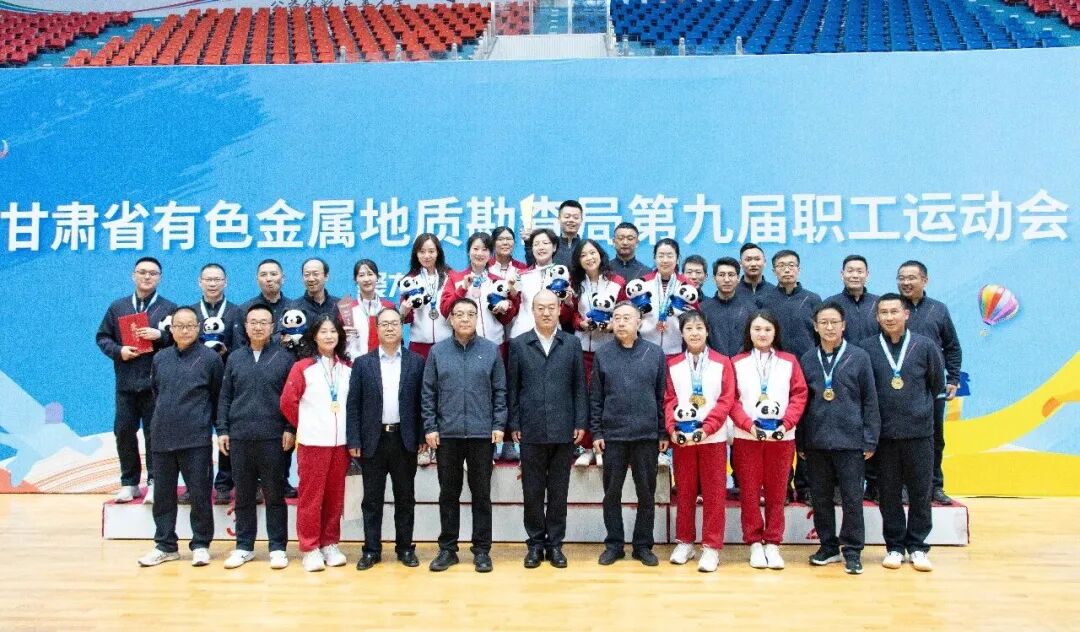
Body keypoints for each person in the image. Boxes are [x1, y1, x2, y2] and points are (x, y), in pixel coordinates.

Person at [860, 293, 945, 572]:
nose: (889, 317)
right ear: (877, 317)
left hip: (919, 434)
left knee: (921, 492)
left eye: (894, 311)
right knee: (888, 494)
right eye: (883, 312)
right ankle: (895, 546)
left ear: (906, 314)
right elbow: (865, 392)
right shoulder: (867, 348)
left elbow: (935, 385)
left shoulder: (925, 346)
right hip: (884, 437)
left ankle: (918, 546)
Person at [422, 297, 508, 573]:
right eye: (459, 314)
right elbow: (428, 392)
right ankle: (448, 549)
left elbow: (500, 391)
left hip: (482, 434)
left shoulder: (490, 350)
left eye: (470, 314)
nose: (464, 319)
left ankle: (481, 550)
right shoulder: (438, 352)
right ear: (450, 319)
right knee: (449, 493)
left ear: (477, 318)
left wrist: (498, 424)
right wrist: (430, 427)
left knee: (481, 494)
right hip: (447, 435)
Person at [797, 302, 880, 575]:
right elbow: (801, 402)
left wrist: (869, 439)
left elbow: (870, 400)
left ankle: (853, 550)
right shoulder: (808, 359)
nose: (829, 327)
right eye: (824, 322)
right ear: (815, 326)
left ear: (843, 325)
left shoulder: (859, 357)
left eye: (834, 322)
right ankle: (828, 547)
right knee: (820, 498)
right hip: (816, 441)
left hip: (851, 442)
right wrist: (801, 441)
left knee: (852, 499)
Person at [137, 307, 223, 568]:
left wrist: (218, 430)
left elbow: (217, 397)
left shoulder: (211, 359)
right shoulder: (160, 358)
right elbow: (157, 392)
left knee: (199, 495)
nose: (185, 330)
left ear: (198, 328)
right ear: (171, 330)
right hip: (162, 438)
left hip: (196, 439)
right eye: (179, 326)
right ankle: (165, 545)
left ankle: (201, 544)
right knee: (163, 496)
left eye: (190, 325)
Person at [507, 290, 588, 569]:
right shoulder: (519, 344)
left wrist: (580, 422)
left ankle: (555, 545)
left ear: (559, 310)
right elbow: (513, 388)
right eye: (540, 307)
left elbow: (579, 386)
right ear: (532, 311)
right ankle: (535, 544)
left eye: (551, 307)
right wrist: (514, 423)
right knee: (532, 491)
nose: (546, 312)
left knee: (558, 491)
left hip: (564, 428)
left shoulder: (571, 343)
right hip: (530, 429)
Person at [346, 307, 426, 571]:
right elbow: (353, 404)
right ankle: (371, 550)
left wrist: (422, 435)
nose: (390, 328)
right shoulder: (363, 363)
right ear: (377, 329)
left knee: (405, 498)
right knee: (372, 500)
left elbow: (422, 402)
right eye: (384, 324)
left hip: (404, 439)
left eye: (394, 323)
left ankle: (405, 548)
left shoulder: (416, 362)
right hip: (373, 440)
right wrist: (354, 440)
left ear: (402, 327)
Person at [216, 304, 295, 570]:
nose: (258, 327)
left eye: (264, 322)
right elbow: (225, 397)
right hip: (240, 437)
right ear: (245, 327)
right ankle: (244, 546)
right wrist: (223, 430)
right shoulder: (235, 358)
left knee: (274, 494)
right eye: (253, 322)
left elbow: (291, 399)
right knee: (244, 494)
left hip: (273, 437)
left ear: (272, 327)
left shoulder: (285, 358)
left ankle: (277, 547)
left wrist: (290, 428)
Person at [590, 302, 668, 567]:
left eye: (627, 318)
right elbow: (596, 397)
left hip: (646, 436)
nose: (622, 322)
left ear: (639, 322)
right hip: (613, 436)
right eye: (617, 318)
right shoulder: (603, 354)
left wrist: (662, 432)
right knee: (611, 494)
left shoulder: (654, 353)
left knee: (646, 494)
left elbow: (661, 396)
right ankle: (614, 545)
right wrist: (597, 432)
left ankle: (643, 546)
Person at [729, 310, 808, 570]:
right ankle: (754, 542)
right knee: (749, 492)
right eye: (757, 329)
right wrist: (748, 425)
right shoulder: (736, 362)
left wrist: (786, 423)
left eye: (767, 329)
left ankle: (773, 542)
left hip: (782, 438)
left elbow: (799, 394)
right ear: (749, 333)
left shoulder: (789, 361)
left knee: (777, 491)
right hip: (747, 437)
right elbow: (731, 399)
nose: (762, 334)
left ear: (775, 333)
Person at [97, 257, 176, 504]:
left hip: (156, 384)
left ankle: (154, 482)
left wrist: (160, 335)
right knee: (123, 432)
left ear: (160, 278)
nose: (147, 277)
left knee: (156, 435)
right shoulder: (118, 307)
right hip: (126, 383)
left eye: (153, 273)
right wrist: (118, 350)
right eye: (142, 272)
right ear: (133, 275)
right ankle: (129, 482)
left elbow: (180, 340)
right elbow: (102, 337)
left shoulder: (169, 308)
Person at [664, 310, 736, 572]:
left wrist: (707, 428)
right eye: (689, 329)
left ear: (707, 331)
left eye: (699, 328)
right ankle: (685, 542)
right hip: (683, 440)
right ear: (681, 333)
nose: (694, 333)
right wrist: (672, 428)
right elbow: (669, 399)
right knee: (684, 492)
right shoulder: (672, 364)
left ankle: (711, 547)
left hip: (713, 438)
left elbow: (726, 400)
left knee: (714, 494)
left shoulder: (722, 362)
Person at [279, 315, 353, 572]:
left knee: (334, 498)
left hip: (341, 444)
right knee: (311, 498)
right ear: (314, 336)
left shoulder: (347, 367)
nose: (329, 336)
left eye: (333, 331)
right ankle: (310, 547)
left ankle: (329, 543)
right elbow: (287, 402)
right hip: (312, 443)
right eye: (323, 332)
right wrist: (307, 425)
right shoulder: (303, 367)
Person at [441, 232, 521, 462]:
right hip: (464, 347)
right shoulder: (455, 277)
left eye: (485, 249)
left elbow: (509, 317)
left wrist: (505, 308)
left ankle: (503, 441)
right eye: (475, 249)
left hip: (495, 346)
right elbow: (445, 310)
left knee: (499, 392)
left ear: (490, 253)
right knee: (470, 394)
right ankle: (473, 443)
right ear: (468, 251)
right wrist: (461, 289)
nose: (480, 253)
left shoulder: (497, 280)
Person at [756, 249, 821, 504]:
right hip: (774, 373)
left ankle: (805, 486)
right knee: (777, 431)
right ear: (774, 271)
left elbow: (819, 337)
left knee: (806, 431)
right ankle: (781, 486)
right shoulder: (765, 300)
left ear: (799, 269)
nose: (787, 269)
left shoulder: (813, 299)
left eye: (791, 265)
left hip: (807, 372)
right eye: (781, 265)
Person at [897, 260, 962, 505]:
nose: (906, 282)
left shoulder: (938, 310)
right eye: (902, 278)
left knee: (934, 438)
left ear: (925, 280)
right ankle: (901, 487)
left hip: (931, 387)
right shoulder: (891, 308)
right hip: (898, 387)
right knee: (899, 440)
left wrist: (952, 377)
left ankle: (935, 486)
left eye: (911, 277)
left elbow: (952, 347)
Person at [567, 238, 627, 467]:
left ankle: (604, 445)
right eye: (583, 255)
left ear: (601, 255)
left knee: (605, 397)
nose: (589, 258)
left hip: (609, 349)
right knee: (584, 398)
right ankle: (586, 447)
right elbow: (570, 314)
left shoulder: (617, 282)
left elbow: (625, 311)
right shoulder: (574, 283)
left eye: (592, 253)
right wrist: (580, 323)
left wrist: (612, 325)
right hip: (582, 348)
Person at [189, 262, 243, 504]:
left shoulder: (237, 312)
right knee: (197, 436)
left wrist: (226, 352)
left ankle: (224, 484)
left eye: (217, 279)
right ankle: (196, 485)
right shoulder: (190, 313)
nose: (212, 283)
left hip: (227, 383)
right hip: (197, 383)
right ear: (200, 282)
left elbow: (242, 348)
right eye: (208, 279)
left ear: (225, 282)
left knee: (226, 433)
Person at [638, 238, 700, 357]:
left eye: (670, 256)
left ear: (677, 259)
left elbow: (695, 316)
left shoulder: (686, 285)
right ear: (654, 258)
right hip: (644, 351)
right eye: (661, 256)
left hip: (678, 351)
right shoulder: (642, 283)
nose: (665, 260)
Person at [398, 233, 452, 361]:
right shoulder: (409, 280)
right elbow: (406, 319)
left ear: (438, 252)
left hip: (447, 344)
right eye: (422, 252)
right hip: (419, 345)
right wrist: (403, 311)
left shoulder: (450, 277)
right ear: (416, 254)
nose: (427, 256)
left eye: (431, 251)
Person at [508, 228, 562, 340]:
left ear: (554, 247)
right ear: (532, 248)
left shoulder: (562, 274)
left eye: (545, 243)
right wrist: (512, 293)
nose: (541, 247)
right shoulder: (521, 275)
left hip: (552, 336)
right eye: (536, 244)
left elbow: (566, 314)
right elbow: (514, 306)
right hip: (523, 335)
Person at [344, 259, 396, 361]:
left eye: (370, 274)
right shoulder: (347, 309)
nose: (366, 279)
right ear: (355, 279)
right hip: (355, 363)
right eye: (361, 275)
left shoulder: (388, 307)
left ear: (377, 277)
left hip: (384, 362)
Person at [825, 255, 879, 344]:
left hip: (873, 353)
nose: (855, 275)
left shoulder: (878, 303)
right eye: (850, 271)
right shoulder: (830, 304)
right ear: (842, 274)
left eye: (859, 271)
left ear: (867, 275)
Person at [526, 200, 582, 269]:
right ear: (559, 219)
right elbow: (533, 267)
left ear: (581, 220)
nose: (571, 220)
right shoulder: (550, 244)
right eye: (567, 217)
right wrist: (528, 242)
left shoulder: (585, 247)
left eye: (576, 217)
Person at [242, 258, 291, 332]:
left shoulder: (294, 308)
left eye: (273, 274)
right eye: (263, 275)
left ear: (283, 278)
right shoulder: (244, 310)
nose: (268, 279)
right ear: (257, 280)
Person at [290, 257, 339, 326]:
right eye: (307, 275)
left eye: (315, 274)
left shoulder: (339, 305)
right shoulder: (293, 307)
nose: (311, 279)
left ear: (326, 276)